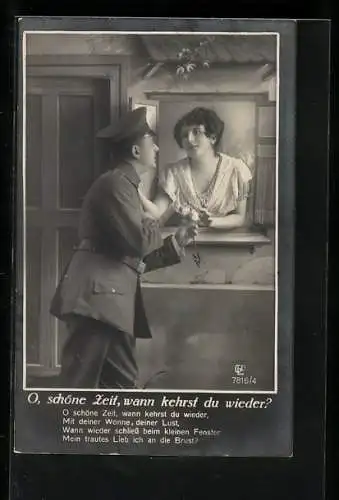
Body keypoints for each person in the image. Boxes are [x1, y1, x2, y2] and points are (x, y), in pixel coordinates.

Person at [50, 107, 197, 389]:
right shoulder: (116, 184)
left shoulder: (125, 186)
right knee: (76, 386)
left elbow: (130, 256)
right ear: (135, 150)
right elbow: (139, 242)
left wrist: (176, 241)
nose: (156, 147)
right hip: (97, 301)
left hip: (110, 300)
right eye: (150, 142)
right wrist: (154, 217)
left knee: (120, 385)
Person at [139, 106, 253, 229]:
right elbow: (157, 211)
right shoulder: (173, 173)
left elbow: (240, 217)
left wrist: (212, 222)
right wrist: (136, 193)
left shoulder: (236, 169)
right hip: (183, 242)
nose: (189, 139)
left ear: (212, 137)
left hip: (227, 242)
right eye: (184, 135)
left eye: (196, 132)